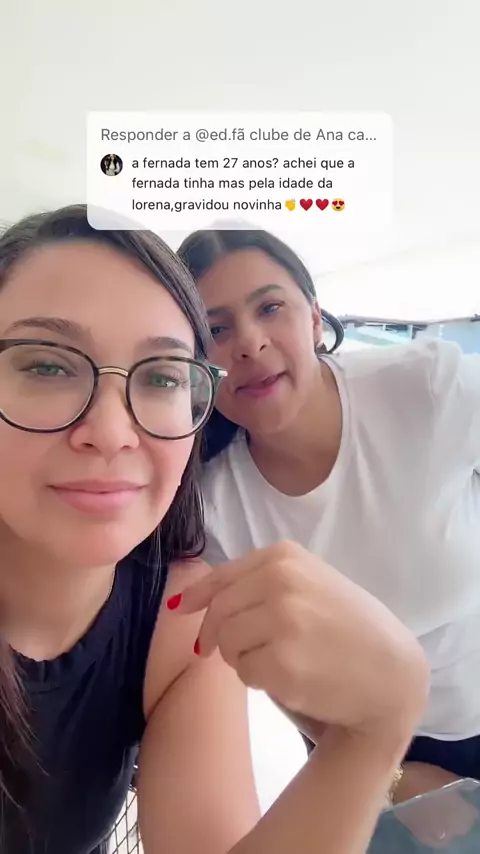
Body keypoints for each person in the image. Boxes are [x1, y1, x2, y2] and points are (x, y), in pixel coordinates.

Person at [0, 205, 428, 854]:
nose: (112, 433)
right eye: (48, 367)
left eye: (162, 376)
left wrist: (375, 730)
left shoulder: (181, 616)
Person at [178, 228, 480, 822]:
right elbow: (273, 668)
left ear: (315, 319)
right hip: (375, 749)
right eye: (217, 329)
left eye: (270, 308)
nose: (250, 343)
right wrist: (393, 779)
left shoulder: (425, 386)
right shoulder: (210, 504)